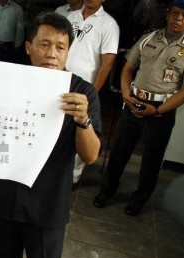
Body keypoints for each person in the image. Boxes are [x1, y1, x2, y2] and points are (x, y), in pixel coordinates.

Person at [0, 12, 102, 258]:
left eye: (60, 47)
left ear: (67, 52)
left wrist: (83, 120)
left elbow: (90, 156)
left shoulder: (82, 93)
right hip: (8, 199)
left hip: (48, 207)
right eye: (45, 44)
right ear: (29, 46)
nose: (52, 54)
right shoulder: (10, 84)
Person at [93, 0, 184, 216]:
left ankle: (139, 199)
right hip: (133, 101)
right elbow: (128, 67)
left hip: (161, 110)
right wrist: (126, 94)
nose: (179, 19)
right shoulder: (149, 38)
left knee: (152, 159)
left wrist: (158, 111)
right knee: (119, 151)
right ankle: (106, 190)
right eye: (175, 13)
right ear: (168, 14)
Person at [65, 0, 119, 185]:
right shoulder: (71, 16)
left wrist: (92, 93)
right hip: (62, 81)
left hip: (84, 87)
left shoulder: (108, 24)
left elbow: (108, 63)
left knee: (81, 128)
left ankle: (73, 177)